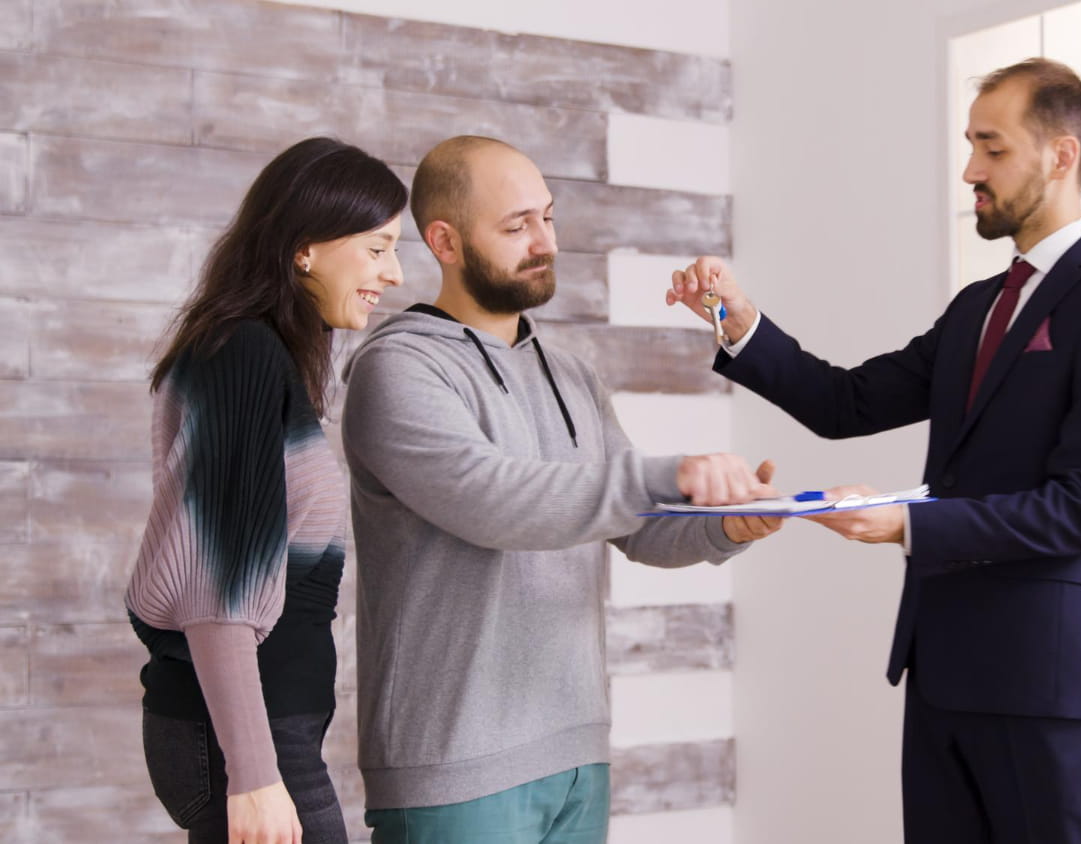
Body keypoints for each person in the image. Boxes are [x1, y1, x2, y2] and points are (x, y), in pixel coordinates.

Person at [666, 58, 1081, 843]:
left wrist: (904, 521)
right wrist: (738, 320)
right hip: (941, 675)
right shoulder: (980, 305)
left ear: (1061, 156)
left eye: (993, 147)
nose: (971, 169)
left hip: (1045, 692)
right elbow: (847, 404)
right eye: (969, 144)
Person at [341, 135, 780, 844]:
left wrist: (722, 527)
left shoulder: (572, 374)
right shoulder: (398, 369)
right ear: (444, 241)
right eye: (516, 227)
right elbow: (495, 501)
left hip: (576, 756)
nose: (544, 240)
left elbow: (633, 524)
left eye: (547, 217)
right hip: (457, 770)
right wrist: (668, 472)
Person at [126, 137, 408, 844]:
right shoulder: (240, 353)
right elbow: (215, 584)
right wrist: (253, 774)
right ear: (304, 247)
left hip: (258, 732)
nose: (395, 273)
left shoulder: (257, 355)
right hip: (241, 746)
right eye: (377, 249)